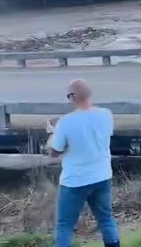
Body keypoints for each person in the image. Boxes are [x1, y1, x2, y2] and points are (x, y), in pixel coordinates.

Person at [50, 78, 120, 247]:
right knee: (105, 219)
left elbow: (54, 152)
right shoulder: (106, 115)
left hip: (75, 181)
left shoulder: (65, 122)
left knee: (65, 225)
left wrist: (53, 133)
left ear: (72, 97)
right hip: (102, 176)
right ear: (90, 93)